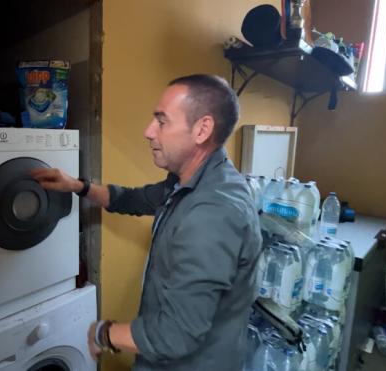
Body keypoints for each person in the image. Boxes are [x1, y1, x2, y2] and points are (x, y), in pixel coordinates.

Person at [31, 74, 262, 371]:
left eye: (162, 121)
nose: (148, 131)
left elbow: (175, 335)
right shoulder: (190, 181)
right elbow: (132, 199)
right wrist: (78, 186)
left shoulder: (213, 213)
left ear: (202, 129)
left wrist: (102, 332)